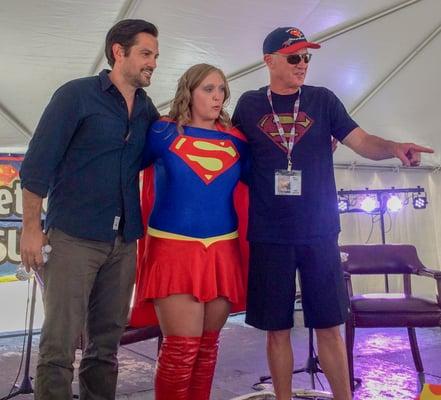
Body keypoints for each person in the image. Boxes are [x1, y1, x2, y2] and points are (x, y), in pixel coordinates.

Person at [232, 27, 434, 400]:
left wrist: (393, 147)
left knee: (329, 325)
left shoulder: (323, 101)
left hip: (319, 231)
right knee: (276, 329)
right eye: (294, 57)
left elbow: (363, 142)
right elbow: (227, 150)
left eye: (307, 57)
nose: (303, 64)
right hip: (269, 234)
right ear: (269, 60)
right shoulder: (248, 104)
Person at [19, 19, 159, 400]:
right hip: (72, 239)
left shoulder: (147, 111)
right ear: (119, 51)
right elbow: (37, 165)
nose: (153, 63)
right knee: (59, 347)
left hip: (124, 241)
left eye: (156, 56)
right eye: (146, 53)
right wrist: (32, 229)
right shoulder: (76, 95)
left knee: (106, 348)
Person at [130, 63, 248, 400]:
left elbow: (267, 179)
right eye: (208, 89)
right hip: (174, 251)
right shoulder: (162, 132)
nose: (217, 96)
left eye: (221, 89)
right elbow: (122, 163)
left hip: (222, 251)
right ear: (189, 91)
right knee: (180, 350)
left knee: (208, 348)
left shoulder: (237, 140)